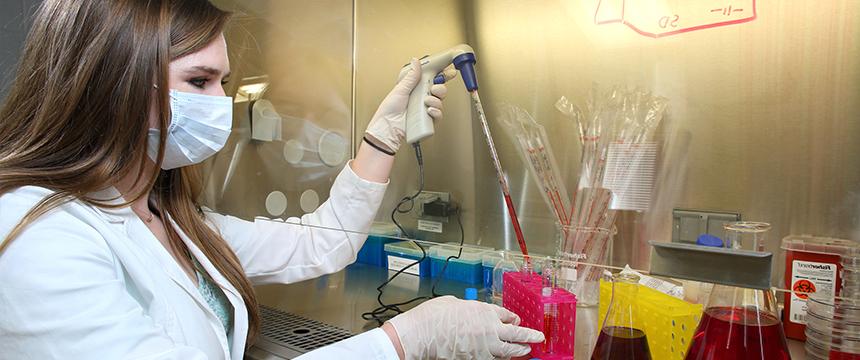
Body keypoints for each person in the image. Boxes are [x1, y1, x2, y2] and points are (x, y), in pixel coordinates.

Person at [0, 1, 544, 359]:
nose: (223, 103)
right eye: (198, 80)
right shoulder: (36, 236)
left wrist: (382, 140)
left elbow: (320, 244)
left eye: (224, 82)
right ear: (111, 84)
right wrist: (405, 341)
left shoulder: (167, 217)